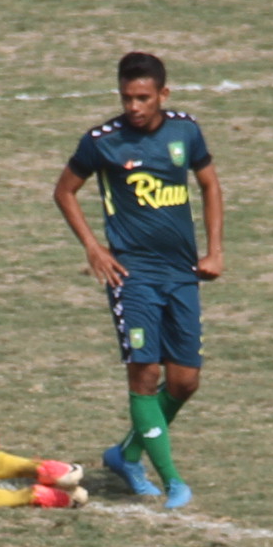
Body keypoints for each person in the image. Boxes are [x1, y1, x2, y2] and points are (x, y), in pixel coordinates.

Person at [54, 50, 223, 507]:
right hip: (133, 276)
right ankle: (172, 482)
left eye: (143, 98)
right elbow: (64, 190)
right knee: (145, 374)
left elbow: (209, 183)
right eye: (127, 97)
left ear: (163, 94)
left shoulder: (185, 131)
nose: (134, 106)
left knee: (185, 381)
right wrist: (94, 247)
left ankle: (127, 454)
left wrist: (215, 250)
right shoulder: (102, 140)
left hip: (182, 273)